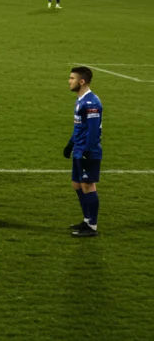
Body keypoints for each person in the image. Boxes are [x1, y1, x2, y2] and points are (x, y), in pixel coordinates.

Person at [66, 66, 102, 237]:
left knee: (88, 185)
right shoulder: (81, 100)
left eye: (72, 78)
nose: (69, 81)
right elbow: (80, 127)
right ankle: (87, 220)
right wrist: (70, 144)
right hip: (79, 149)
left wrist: (87, 151)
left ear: (82, 81)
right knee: (77, 184)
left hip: (88, 151)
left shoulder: (91, 103)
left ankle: (92, 226)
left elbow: (93, 132)